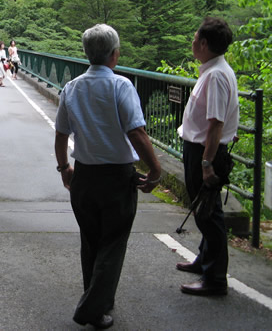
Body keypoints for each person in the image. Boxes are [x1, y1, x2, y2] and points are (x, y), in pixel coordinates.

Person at [54, 24, 161, 329]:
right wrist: (155, 168)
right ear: (115, 54)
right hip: (116, 178)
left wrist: (65, 169)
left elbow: (61, 134)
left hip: (84, 178)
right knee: (113, 243)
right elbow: (137, 132)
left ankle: (99, 302)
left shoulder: (72, 87)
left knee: (91, 242)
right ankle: (92, 307)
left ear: (87, 54)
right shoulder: (121, 86)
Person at [176, 17, 239, 296]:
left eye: (194, 37)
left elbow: (215, 124)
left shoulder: (214, 75)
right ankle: (204, 261)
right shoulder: (216, 70)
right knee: (204, 210)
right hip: (203, 149)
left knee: (208, 215)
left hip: (204, 152)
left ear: (203, 42)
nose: (192, 42)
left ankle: (215, 279)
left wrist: (206, 162)